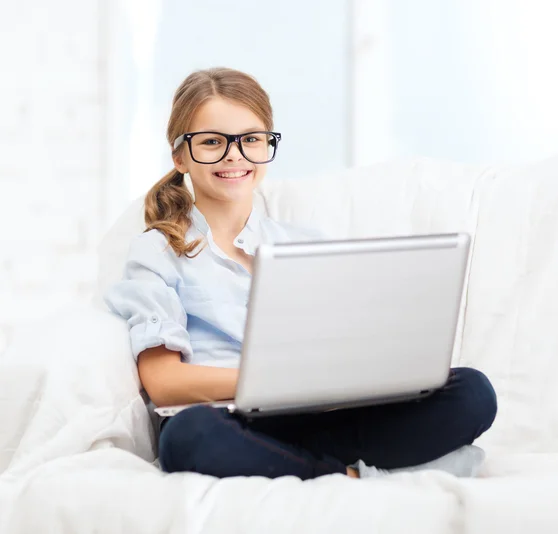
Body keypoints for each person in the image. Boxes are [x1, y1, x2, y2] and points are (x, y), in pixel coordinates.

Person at [104, 67, 497, 480]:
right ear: (180, 155)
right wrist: (274, 382)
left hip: (319, 416)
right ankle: (347, 475)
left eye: (251, 139)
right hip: (231, 419)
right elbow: (163, 381)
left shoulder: (304, 244)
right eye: (212, 142)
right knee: (188, 436)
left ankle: (304, 463)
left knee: (473, 392)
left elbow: (342, 347)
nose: (234, 155)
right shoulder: (157, 251)